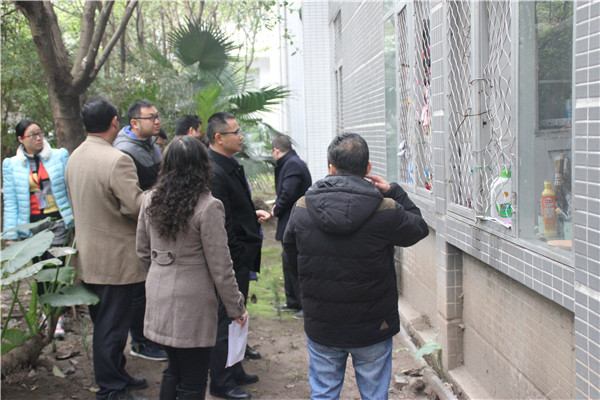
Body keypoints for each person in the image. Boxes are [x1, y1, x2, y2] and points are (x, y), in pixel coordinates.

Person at [282, 133, 429, 400]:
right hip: (373, 324)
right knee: (374, 394)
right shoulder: (385, 209)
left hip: (322, 321)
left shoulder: (302, 208)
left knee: (324, 393)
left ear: (331, 168)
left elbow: (291, 257)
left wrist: (311, 287)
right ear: (368, 168)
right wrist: (394, 190)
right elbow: (418, 228)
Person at [136, 136, 248, 400]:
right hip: (192, 304)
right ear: (202, 166)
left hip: (158, 293)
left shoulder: (149, 200)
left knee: (173, 369)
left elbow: (142, 251)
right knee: (194, 378)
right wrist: (236, 307)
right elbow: (221, 266)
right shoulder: (209, 206)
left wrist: (161, 273)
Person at [65, 97, 147, 400]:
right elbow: (135, 207)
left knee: (104, 321)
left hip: (89, 256)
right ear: (115, 122)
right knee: (111, 327)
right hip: (115, 259)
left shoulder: (75, 157)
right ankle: (111, 388)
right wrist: (154, 195)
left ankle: (117, 374)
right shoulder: (117, 160)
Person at [206, 112, 271, 400]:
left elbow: (234, 209)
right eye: (235, 132)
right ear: (219, 138)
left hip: (240, 256)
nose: (241, 136)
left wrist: (250, 216)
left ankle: (235, 368)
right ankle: (221, 381)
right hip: (231, 259)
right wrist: (236, 257)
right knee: (225, 319)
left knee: (237, 316)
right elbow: (221, 223)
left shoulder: (228, 164)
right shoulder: (214, 171)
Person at [2, 118, 73, 337]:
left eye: (40, 133)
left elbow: (70, 187)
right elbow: (11, 202)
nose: (38, 138)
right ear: (21, 139)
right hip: (33, 224)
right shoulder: (11, 165)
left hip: (58, 221)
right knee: (40, 270)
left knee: (58, 267)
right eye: (32, 135)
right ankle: (47, 314)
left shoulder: (59, 156)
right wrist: (11, 233)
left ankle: (58, 314)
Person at [114, 99, 166, 362]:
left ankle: (152, 336)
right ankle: (140, 342)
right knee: (138, 289)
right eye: (151, 118)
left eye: (157, 116)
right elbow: (131, 198)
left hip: (155, 222)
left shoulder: (151, 144)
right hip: (134, 228)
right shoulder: (124, 152)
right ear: (134, 122)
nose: (157, 121)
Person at [270, 135, 312, 319]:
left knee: (297, 263)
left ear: (276, 151)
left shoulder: (292, 165)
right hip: (290, 220)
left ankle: (304, 304)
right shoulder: (290, 163)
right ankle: (293, 301)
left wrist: (276, 209)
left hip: (295, 221)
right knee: (288, 261)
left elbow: (288, 193)